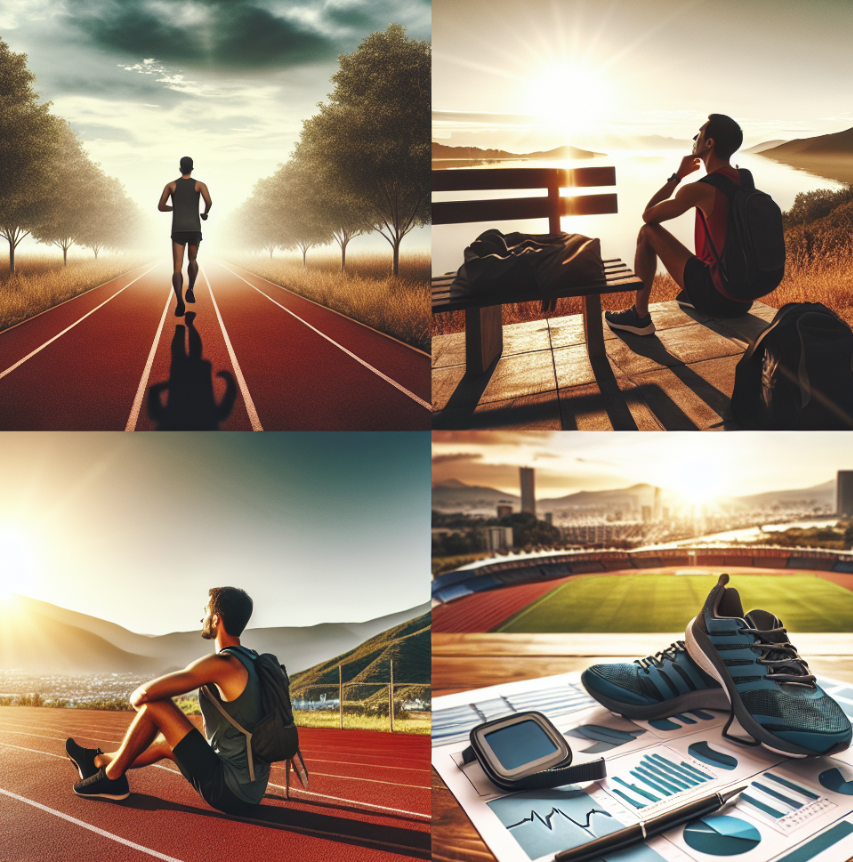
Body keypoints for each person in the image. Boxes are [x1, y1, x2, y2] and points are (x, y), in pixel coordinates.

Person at [66, 587, 269, 815]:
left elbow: (143, 697)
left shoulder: (223, 664)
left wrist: (146, 709)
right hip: (253, 787)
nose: (202, 618)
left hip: (230, 791)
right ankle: (96, 761)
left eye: (206, 612)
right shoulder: (254, 659)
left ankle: (112, 780)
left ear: (215, 620)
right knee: (165, 743)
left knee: (155, 705)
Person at [605, 114, 752, 336]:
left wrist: (677, 177)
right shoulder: (744, 179)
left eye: (699, 134)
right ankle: (695, 295)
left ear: (709, 143)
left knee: (647, 233)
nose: (695, 138)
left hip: (719, 297)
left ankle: (640, 317)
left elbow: (648, 216)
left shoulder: (701, 189)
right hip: (743, 297)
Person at [158, 156, 212, 317]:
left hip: (178, 231)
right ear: (192, 168)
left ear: (180, 169)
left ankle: (180, 302)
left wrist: (174, 208)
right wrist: (204, 213)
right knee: (193, 259)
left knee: (177, 267)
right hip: (194, 229)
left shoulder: (171, 185)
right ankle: (190, 289)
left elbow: (160, 206)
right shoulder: (199, 185)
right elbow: (209, 202)